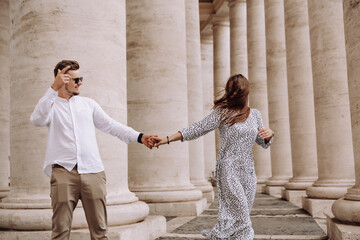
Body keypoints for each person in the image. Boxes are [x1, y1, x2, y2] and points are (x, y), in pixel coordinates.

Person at [30, 60, 158, 240]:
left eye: (81, 78)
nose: (80, 82)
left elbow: (111, 126)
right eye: (76, 79)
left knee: (100, 232)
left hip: (93, 172)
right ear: (63, 80)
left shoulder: (88, 104)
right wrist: (52, 89)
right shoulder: (50, 105)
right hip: (63, 172)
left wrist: (139, 136)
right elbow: (36, 119)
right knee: (60, 231)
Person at [154, 74, 274, 239]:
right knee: (243, 219)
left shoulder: (255, 115)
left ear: (244, 91)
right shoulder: (222, 113)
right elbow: (197, 128)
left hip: (248, 171)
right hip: (228, 168)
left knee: (241, 215)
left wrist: (269, 134)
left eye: (235, 90)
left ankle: (222, 236)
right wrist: (167, 139)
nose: (231, 94)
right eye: (229, 90)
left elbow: (263, 142)